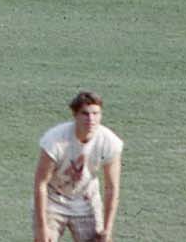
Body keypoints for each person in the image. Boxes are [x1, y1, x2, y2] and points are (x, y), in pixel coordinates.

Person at [33, 90, 123, 242]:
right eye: (85, 114)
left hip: (86, 200)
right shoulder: (54, 140)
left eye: (96, 113)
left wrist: (107, 229)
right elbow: (41, 183)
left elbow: (111, 188)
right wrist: (42, 228)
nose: (91, 119)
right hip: (53, 199)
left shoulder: (110, 142)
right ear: (75, 115)